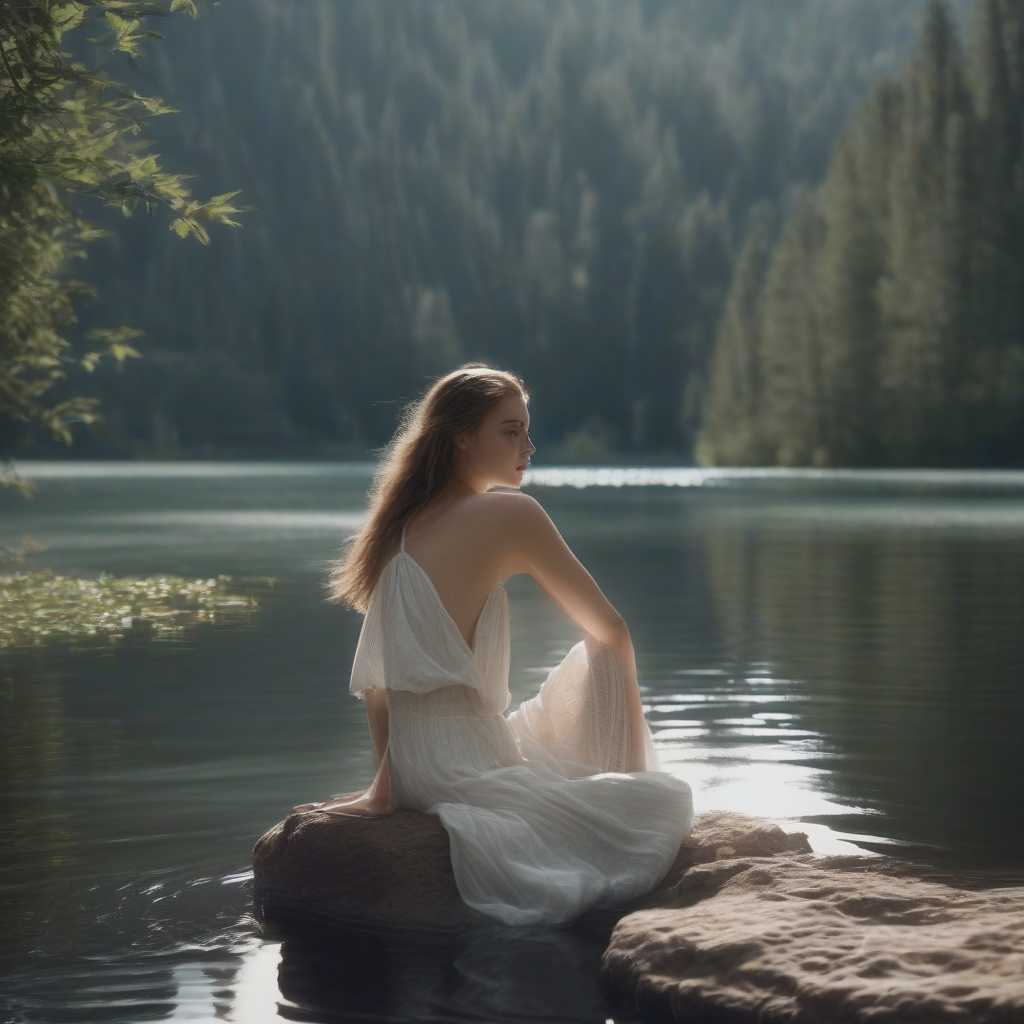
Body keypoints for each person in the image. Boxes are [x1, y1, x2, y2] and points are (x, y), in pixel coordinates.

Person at [293, 363, 693, 926]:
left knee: (559, 708)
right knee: (613, 682)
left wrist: (386, 788)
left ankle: (616, 781)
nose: (528, 446)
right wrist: (630, 778)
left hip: (413, 766)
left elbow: (378, 682)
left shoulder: (400, 524)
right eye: (510, 431)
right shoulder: (511, 512)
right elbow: (613, 632)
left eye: (527, 431)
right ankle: (627, 779)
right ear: (461, 437)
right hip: (466, 761)